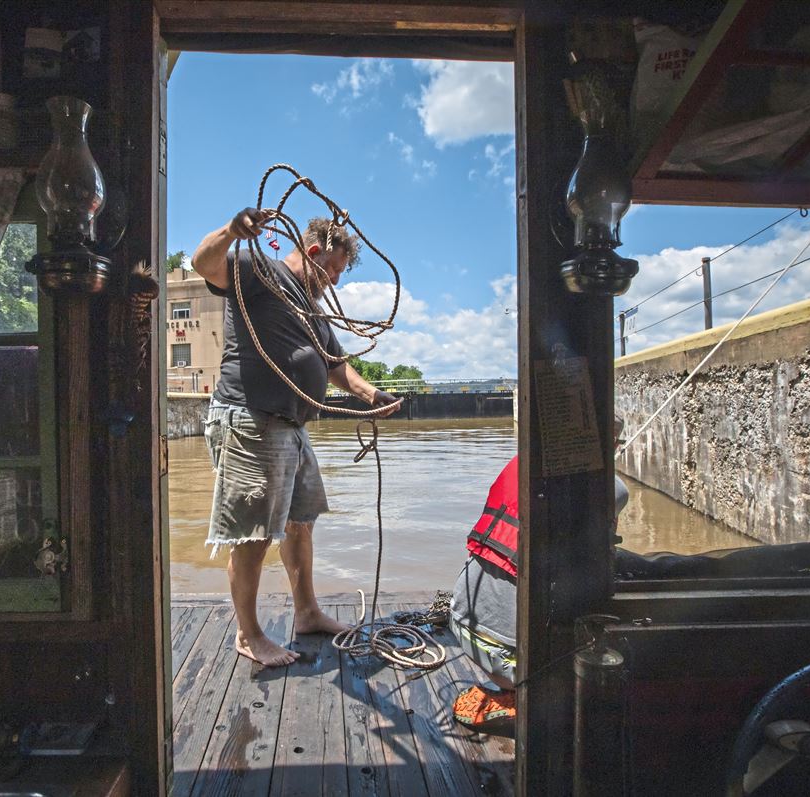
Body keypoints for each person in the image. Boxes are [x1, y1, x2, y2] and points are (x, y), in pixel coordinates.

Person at [191, 207, 401, 667]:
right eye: (334, 270)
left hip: (292, 426)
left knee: (302, 522)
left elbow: (333, 364)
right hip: (251, 420)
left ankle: (306, 613)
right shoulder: (256, 268)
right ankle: (248, 635)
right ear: (312, 251)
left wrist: (370, 394)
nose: (336, 282)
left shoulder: (314, 310)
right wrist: (231, 230)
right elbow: (203, 264)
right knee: (252, 535)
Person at [450, 415, 629, 730]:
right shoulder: (611, 489)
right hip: (511, 661)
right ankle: (521, 698)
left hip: (462, 622)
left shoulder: (518, 463)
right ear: (611, 445)